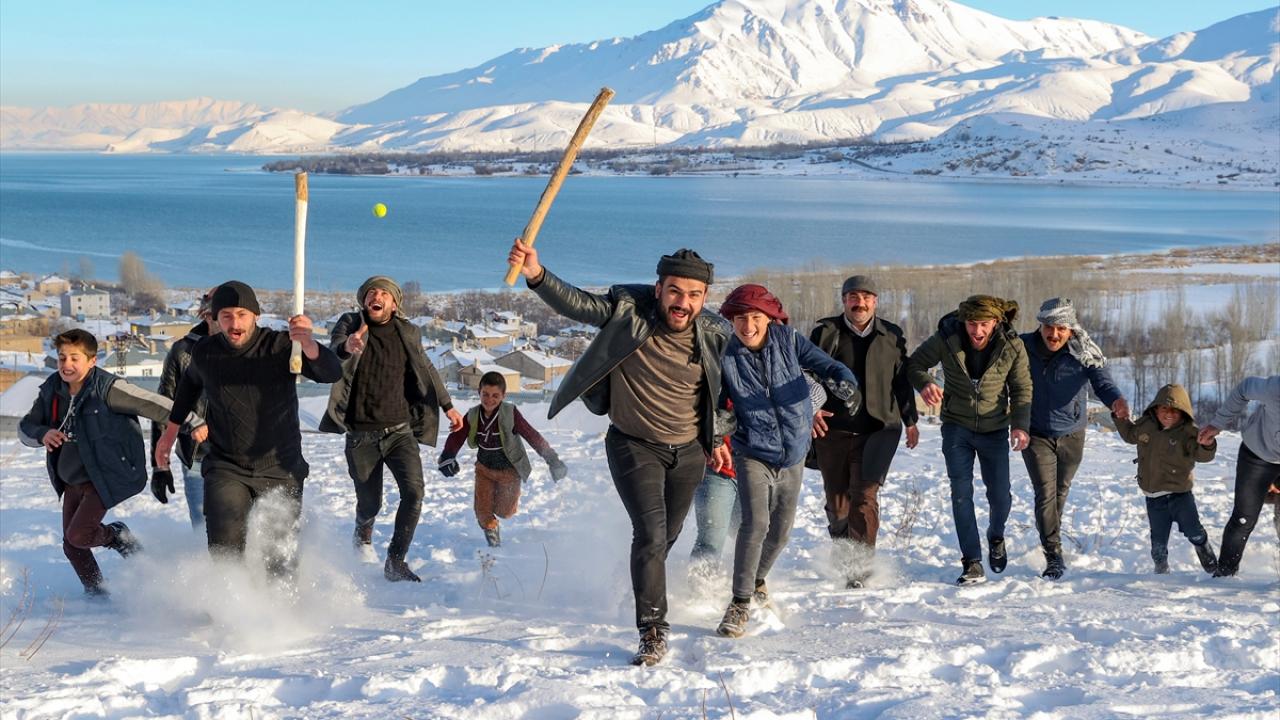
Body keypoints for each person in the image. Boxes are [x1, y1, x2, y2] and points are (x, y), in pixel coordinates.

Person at [508, 239, 729, 667]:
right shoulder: (630, 310)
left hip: (687, 452)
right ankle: (652, 629)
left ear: (705, 297)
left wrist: (717, 438)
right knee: (650, 535)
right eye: (674, 291)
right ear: (659, 288)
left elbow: (722, 395)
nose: (683, 303)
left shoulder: (715, 333)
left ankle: (641, 574)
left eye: (694, 295)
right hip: (634, 444)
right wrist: (536, 274)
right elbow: (579, 305)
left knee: (665, 537)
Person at [155, 281, 342, 578]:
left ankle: (281, 604)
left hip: (280, 466)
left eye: (242, 314)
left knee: (278, 560)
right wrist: (169, 434)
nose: (235, 323)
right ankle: (233, 602)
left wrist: (308, 344)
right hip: (227, 465)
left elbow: (331, 372)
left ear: (256, 315)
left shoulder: (281, 346)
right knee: (224, 549)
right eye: (226, 315)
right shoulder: (205, 351)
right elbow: (188, 386)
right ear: (215, 318)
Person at [713, 284, 859, 638]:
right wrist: (718, 432)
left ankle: (757, 580)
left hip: (793, 453)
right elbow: (716, 404)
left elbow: (827, 366)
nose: (748, 326)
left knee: (780, 533)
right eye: (740, 318)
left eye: (755, 317)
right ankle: (739, 603)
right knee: (756, 524)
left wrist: (845, 382)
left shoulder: (788, 340)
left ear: (770, 318)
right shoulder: (725, 356)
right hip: (753, 451)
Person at [19, 329, 203, 596]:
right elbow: (26, 426)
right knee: (72, 545)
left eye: (75, 358)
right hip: (70, 479)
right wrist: (42, 433)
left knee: (78, 535)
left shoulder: (107, 388)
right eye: (62, 358)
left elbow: (151, 403)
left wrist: (191, 421)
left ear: (92, 360)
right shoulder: (52, 389)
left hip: (103, 477)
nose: (67, 364)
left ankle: (116, 535)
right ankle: (96, 592)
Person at [320, 276, 463, 582]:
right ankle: (363, 531)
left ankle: (395, 561)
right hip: (361, 435)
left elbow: (426, 368)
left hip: (400, 431)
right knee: (370, 504)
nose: (377, 296)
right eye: (371, 292)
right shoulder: (351, 323)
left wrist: (447, 405)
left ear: (394, 304)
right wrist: (347, 345)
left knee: (414, 492)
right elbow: (333, 351)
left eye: (384, 293)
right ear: (364, 301)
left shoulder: (407, 332)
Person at [907, 295, 1032, 585]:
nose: (977, 331)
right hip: (956, 426)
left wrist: (1020, 426)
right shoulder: (946, 338)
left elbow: (1022, 388)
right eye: (972, 324)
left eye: (984, 324)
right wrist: (925, 383)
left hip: (995, 427)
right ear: (964, 322)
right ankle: (972, 561)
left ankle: (996, 535)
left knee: (1000, 496)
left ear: (996, 322)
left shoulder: (1012, 346)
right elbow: (914, 364)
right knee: (961, 492)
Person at [809, 275, 918, 588]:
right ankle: (844, 548)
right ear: (844, 300)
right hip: (832, 430)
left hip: (878, 430)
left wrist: (910, 420)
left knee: (864, 498)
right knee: (838, 506)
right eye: (854, 297)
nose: (860, 303)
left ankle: (859, 569)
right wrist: (810, 408)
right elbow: (807, 374)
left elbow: (901, 381)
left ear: (875, 301)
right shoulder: (825, 332)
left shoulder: (891, 335)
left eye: (867, 297)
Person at [1019, 298, 1129, 580]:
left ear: (1071, 330)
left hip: (1072, 433)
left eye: (1061, 329)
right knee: (1045, 493)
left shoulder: (1083, 352)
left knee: (1060, 491)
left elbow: (1102, 381)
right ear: (1040, 326)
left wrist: (1116, 400)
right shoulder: (1022, 347)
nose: (1054, 334)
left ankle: (1050, 535)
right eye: (1049, 327)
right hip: (1036, 432)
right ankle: (1053, 554)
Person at [437, 371, 567, 547]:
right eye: (485, 394)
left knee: (505, 511)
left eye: (495, 395)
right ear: (479, 392)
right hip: (484, 469)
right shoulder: (473, 415)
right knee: (482, 510)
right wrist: (448, 455)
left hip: (509, 471)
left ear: (503, 395)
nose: (489, 399)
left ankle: (499, 513)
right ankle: (493, 540)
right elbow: (457, 435)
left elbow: (531, 435)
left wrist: (552, 459)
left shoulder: (510, 413)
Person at [1114, 383, 1218, 574]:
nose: (1169, 414)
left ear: (1183, 412)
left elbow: (1202, 456)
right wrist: (1120, 418)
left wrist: (1207, 445)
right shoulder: (1146, 425)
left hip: (1180, 495)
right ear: (1156, 408)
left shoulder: (1188, 432)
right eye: (1164, 408)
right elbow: (1130, 435)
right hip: (1153, 497)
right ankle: (1161, 571)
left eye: (1175, 410)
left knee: (1193, 530)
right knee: (1158, 542)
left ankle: (1207, 555)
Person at [150, 288, 218, 530]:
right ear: (206, 315)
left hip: (242, 459)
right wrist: (160, 466)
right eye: (220, 315)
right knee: (202, 529)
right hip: (198, 456)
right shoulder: (182, 351)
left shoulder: (251, 351)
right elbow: (163, 407)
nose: (229, 322)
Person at [1199, 375, 1279, 577]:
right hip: (1258, 455)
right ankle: (1225, 575)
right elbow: (1244, 389)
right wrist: (1218, 423)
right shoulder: (1275, 388)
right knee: (1244, 518)